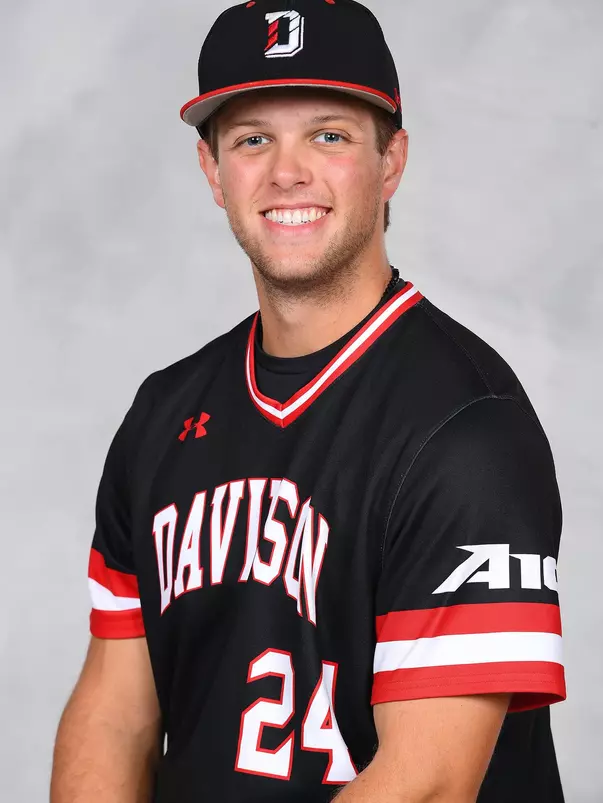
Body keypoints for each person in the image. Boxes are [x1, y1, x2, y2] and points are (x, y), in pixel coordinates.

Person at [50, 1, 567, 801]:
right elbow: (114, 712)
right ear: (211, 170)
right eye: (253, 139)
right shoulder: (162, 414)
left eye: (328, 134)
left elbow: (424, 783)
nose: (286, 172)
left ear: (390, 161)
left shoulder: (468, 428)